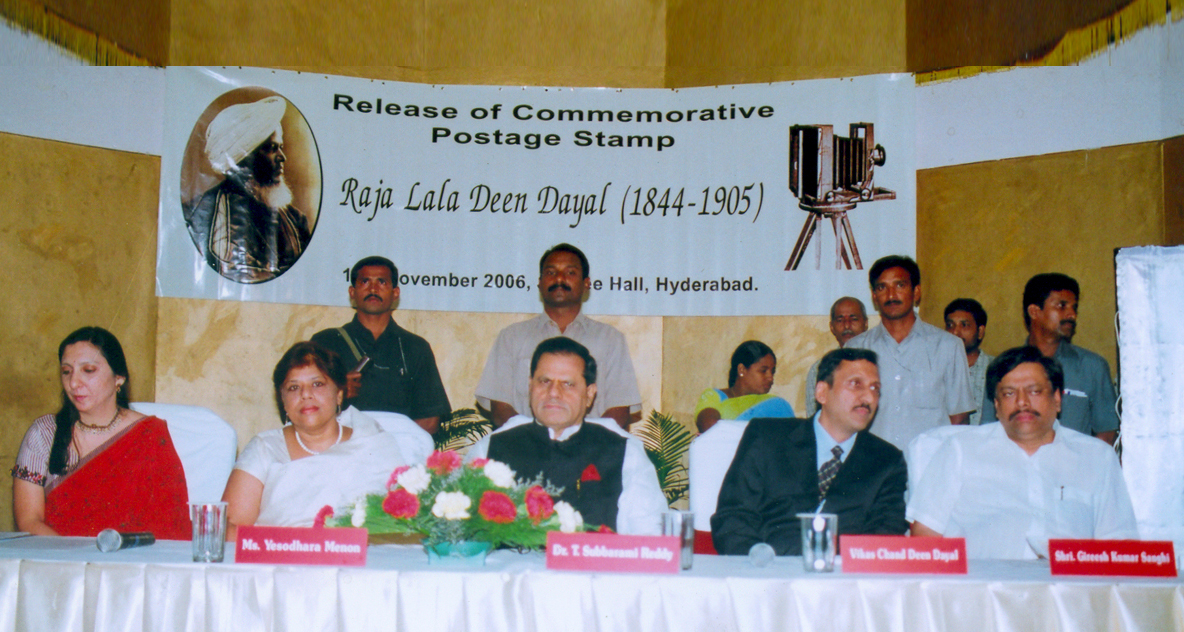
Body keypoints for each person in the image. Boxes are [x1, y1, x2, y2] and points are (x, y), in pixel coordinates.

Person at [907, 346, 1137, 559]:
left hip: (1069, 587)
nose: (1022, 402)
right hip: (984, 585)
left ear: (1057, 399)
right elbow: (925, 534)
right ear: (996, 406)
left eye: (1034, 391)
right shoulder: (960, 449)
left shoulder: (1096, 457)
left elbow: (1119, 545)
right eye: (1009, 394)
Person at [711, 348, 907, 555]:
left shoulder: (887, 461)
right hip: (766, 566)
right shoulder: (767, 437)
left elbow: (883, 539)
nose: (868, 397)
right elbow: (733, 518)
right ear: (822, 392)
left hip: (840, 571)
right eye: (855, 384)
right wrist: (760, 564)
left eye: (875, 388)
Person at [467, 337, 666, 534]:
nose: (553, 392)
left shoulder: (623, 452)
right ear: (530, 386)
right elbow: (461, 531)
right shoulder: (492, 448)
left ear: (589, 394)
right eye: (544, 381)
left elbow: (649, 535)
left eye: (568, 384)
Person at [11, 327, 190, 538]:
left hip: (132, 556)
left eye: (88, 370)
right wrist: (72, 556)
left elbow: (171, 523)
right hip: (58, 555)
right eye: (66, 372)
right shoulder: (45, 433)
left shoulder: (150, 434)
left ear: (119, 378)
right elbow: (29, 521)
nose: (74, 383)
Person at [222, 341, 407, 537]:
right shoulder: (265, 448)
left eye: (317, 384)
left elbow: (402, 523)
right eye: (293, 387)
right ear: (283, 401)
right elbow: (228, 528)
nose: (305, 394)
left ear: (339, 394)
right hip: (278, 553)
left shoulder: (372, 443)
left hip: (360, 554)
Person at [476, 243, 642, 429]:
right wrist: (537, 441)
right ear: (540, 283)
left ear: (586, 283)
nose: (559, 278)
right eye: (551, 272)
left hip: (592, 447)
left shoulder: (610, 339)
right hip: (526, 445)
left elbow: (619, 411)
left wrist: (582, 443)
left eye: (570, 272)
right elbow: (500, 409)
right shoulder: (511, 337)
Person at [310, 256, 451, 434]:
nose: (373, 289)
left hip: (399, 449)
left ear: (395, 293)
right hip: (340, 446)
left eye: (382, 282)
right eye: (365, 281)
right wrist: (336, 393)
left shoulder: (415, 347)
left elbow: (429, 420)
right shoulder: (325, 342)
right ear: (352, 292)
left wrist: (388, 445)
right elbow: (304, 404)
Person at [846, 255, 975, 449]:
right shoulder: (855, 349)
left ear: (916, 292)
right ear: (874, 296)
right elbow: (846, 415)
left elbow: (959, 418)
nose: (891, 295)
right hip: (874, 464)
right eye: (882, 287)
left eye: (900, 285)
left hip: (929, 463)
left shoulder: (948, 346)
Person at [184, 96, 311, 283]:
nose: (282, 157)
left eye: (281, 147)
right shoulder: (198, 215)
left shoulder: (296, 222)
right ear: (244, 158)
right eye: (272, 148)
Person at [980, 273, 1119, 444]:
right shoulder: (1005, 367)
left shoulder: (1091, 367)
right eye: (1062, 306)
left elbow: (1106, 433)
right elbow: (989, 432)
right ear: (1034, 311)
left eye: (1074, 308)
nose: (1072, 315)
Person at [694, 340, 794, 433]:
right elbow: (710, 427)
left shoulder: (775, 405)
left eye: (772, 372)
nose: (770, 377)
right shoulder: (714, 396)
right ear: (741, 369)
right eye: (763, 371)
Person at [804, 297, 869, 417]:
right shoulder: (819, 369)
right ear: (832, 327)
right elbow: (814, 418)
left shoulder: (878, 364)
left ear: (865, 323)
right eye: (840, 320)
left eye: (854, 319)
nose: (847, 325)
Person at [944, 298, 994, 425]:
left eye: (964, 325)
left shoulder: (995, 369)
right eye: (950, 325)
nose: (955, 332)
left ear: (980, 332)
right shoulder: (935, 368)